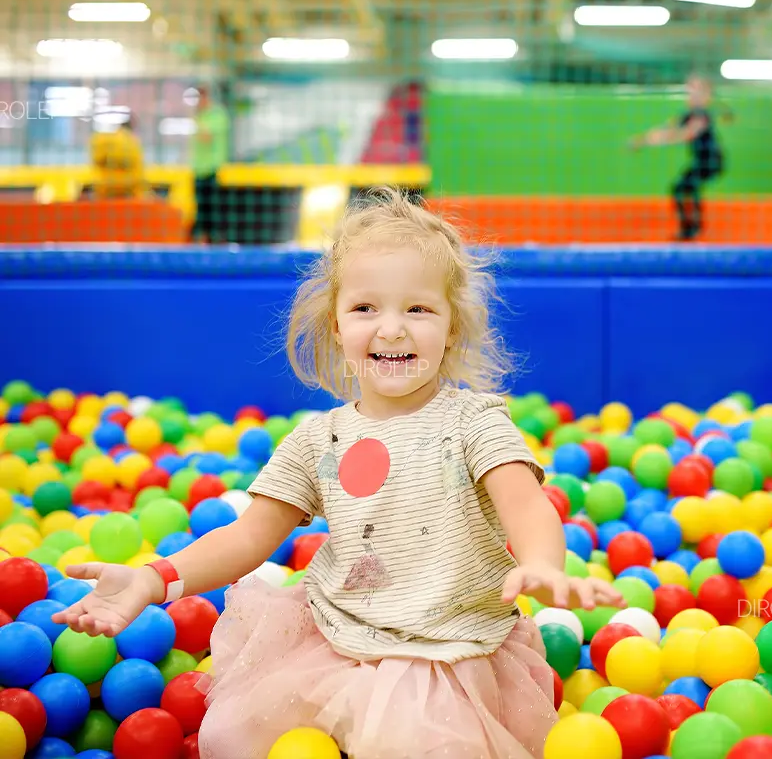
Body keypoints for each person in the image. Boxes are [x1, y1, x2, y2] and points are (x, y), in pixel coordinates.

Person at [52, 187, 625, 759]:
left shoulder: (474, 423)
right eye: (365, 308)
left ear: (452, 326)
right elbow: (250, 536)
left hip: (446, 651)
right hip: (335, 640)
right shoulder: (318, 438)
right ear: (336, 325)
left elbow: (524, 505)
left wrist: (543, 564)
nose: (392, 328)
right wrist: (154, 579)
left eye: (418, 308)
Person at [630, 74, 732, 241]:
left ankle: (692, 228)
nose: (691, 95)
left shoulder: (701, 115)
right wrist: (642, 141)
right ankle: (692, 227)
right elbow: (667, 129)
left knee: (684, 187)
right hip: (700, 161)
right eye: (690, 91)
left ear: (706, 96)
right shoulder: (688, 114)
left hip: (711, 161)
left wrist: (660, 140)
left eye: (696, 91)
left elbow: (687, 134)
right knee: (684, 188)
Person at [189, 85, 230, 243]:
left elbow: (206, 137)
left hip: (214, 169)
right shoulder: (200, 116)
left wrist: (198, 121)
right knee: (201, 210)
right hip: (199, 169)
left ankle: (217, 241)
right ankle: (204, 241)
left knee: (215, 210)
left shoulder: (217, 115)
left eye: (201, 98)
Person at [89, 113, 149, 200]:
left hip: (103, 187)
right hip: (130, 188)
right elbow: (137, 166)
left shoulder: (100, 139)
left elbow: (97, 160)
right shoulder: (131, 141)